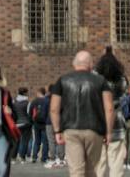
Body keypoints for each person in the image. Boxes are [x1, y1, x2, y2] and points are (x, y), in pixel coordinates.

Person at [50, 49, 116, 177]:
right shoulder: (101, 81)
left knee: (76, 170)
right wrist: (108, 132)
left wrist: (57, 130)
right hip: (94, 129)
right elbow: (109, 108)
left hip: (71, 129)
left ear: (74, 64)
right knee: (91, 170)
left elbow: (54, 108)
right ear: (91, 64)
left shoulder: (63, 80)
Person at [27, 85, 52, 168]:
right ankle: (44, 158)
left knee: (36, 141)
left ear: (38, 93)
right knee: (45, 142)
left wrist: (32, 121)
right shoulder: (47, 101)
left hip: (36, 123)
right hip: (45, 123)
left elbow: (30, 113)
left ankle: (34, 156)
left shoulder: (34, 101)